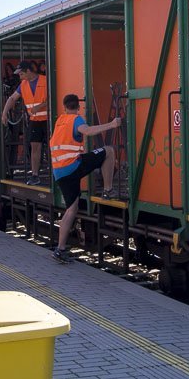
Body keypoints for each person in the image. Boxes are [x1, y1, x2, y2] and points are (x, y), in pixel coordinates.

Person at [49, 93, 121, 264]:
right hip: (73, 167)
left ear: (64, 107)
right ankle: (108, 190)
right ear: (78, 107)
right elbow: (87, 131)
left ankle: (59, 249)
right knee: (108, 151)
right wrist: (112, 124)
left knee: (71, 209)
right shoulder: (77, 120)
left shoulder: (60, 120)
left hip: (59, 172)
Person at [1, 59, 49, 185]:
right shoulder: (23, 85)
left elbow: (54, 98)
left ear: (28, 71)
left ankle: (56, 173)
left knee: (52, 148)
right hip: (34, 121)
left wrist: (40, 107)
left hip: (49, 120)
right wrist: (4, 113)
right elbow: (12, 99)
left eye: (21, 74)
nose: (19, 76)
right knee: (35, 147)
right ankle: (35, 175)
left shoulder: (45, 80)